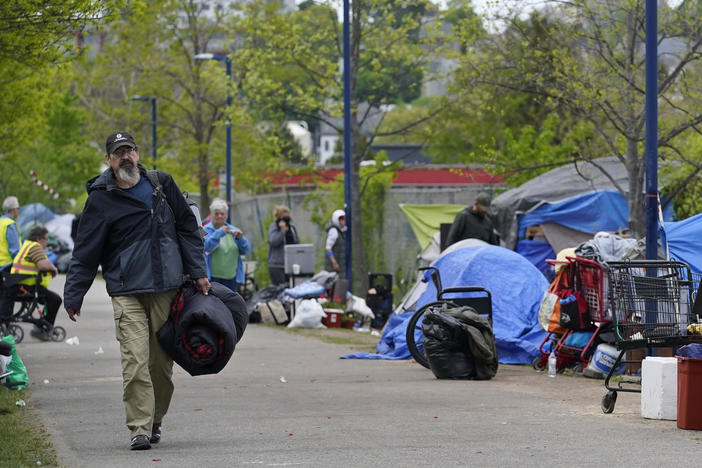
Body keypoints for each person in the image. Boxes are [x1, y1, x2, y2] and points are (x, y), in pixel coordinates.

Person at [63, 131, 210, 451]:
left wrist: (198, 272)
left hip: (165, 289)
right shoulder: (100, 198)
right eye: (118, 153)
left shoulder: (160, 184)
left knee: (160, 365)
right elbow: (86, 251)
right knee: (134, 360)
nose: (125, 156)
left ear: (138, 153)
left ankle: (155, 418)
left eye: (129, 150)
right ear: (108, 160)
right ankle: (139, 428)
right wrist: (74, 294)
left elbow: (187, 228)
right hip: (126, 291)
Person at [10, 225, 61, 340]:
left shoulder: (27, 245)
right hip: (27, 287)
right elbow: (43, 264)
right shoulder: (35, 247)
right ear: (39, 239)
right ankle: (43, 329)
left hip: (21, 285)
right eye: (46, 239)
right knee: (55, 299)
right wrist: (53, 269)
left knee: (50, 299)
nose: (47, 242)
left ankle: (42, 326)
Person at [203, 198, 250, 292]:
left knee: (229, 305)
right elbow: (205, 248)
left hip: (232, 278)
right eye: (216, 214)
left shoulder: (233, 230)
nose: (219, 216)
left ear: (226, 216)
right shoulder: (205, 230)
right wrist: (219, 233)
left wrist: (240, 239)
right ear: (211, 215)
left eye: (222, 213)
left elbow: (246, 250)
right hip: (212, 278)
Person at [266, 205, 299, 285]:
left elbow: (297, 242)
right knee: (279, 288)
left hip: (291, 264)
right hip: (277, 265)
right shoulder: (274, 227)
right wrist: (282, 231)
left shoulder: (291, 228)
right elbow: (273, 241)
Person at [0, 196, 21, 318]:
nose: (18, 211)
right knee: (7, 297)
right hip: (7, 266)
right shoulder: (10, 225)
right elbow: (15, 251)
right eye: (18, 208)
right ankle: (5, 325)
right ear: (13, 210)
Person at [325, 209, 347, 279]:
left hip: (341, 266)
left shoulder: (342, 231)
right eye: (341, 219)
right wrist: (334, 262)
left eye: (343, 219)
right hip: (333, 268)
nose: (343, 221)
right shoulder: (333, 231)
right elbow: (328, 248)